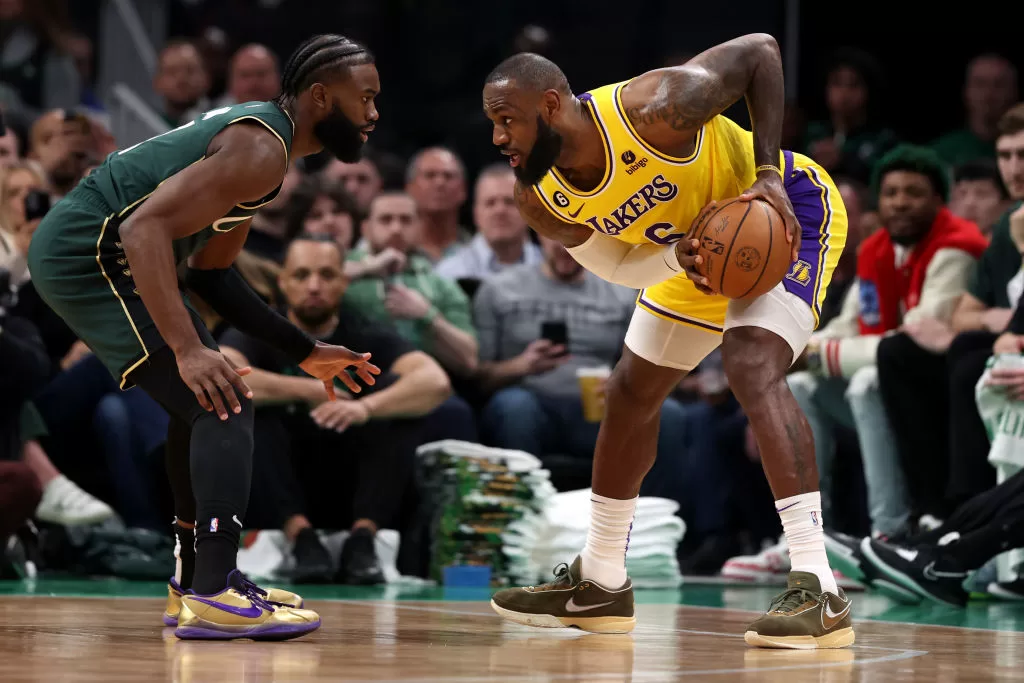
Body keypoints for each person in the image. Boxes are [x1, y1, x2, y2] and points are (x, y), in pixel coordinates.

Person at [483, 34, 851, 649]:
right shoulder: (536, 196)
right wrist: (677, 261)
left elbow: (762, 50)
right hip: (691, 254)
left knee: (749, 362)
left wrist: (765, 175)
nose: (498, 139)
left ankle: (819, 585)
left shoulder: (656, 109)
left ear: (549, 105)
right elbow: (618, 266)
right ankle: (600, 581)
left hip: (782, 217)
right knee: (630, 391)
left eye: (506, 121)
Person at [26, 34, 382, 641]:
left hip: (108, 252)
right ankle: (214, 589)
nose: (374, 113)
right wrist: (190, 350)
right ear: (322, 96)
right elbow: (144, 230)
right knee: (224, 401)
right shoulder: (259, 149)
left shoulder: (269, 153)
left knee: (206, 405)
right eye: (366, 98)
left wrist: (306, 351)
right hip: (88, 254)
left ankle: (195, 584)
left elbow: (210, 275)